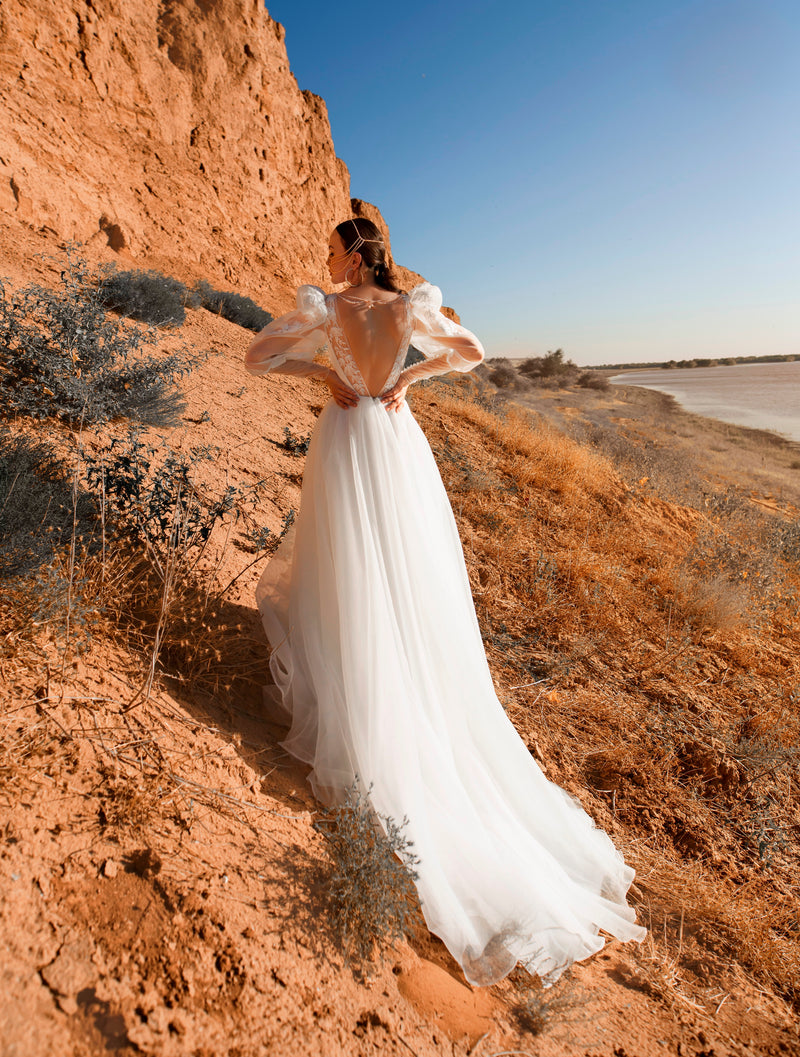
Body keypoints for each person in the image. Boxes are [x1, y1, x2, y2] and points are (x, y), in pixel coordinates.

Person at [244, 217, 645, 987]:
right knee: (403, 577)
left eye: (333, 247)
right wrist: (404, 381)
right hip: (396, 446)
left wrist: (325, 379)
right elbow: (472, 352)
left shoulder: (327, 307)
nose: (326, 258)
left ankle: (364, 703)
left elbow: (257, 355)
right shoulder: (407, 307)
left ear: (354, 252)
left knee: (350, 573)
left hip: (347, 438)